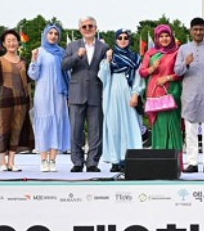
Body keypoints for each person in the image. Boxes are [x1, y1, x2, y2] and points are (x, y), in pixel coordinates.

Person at [0, 29, 34, 172]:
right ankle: (2, 162)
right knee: (3, 129)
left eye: (14, 40)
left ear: (18, 43)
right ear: (4, 44)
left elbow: (30, 80)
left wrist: (29, 100)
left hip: (21, 101)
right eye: (8, 41)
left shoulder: (23, 61)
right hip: (5, 100)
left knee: (16, 130)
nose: (12, 43)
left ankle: (11, 161)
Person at [174, 18, 204, 173]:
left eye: (201, 29)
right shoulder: (183, 49)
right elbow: (177, 71)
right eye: (195, 29)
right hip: (190, 94)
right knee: (190, 130)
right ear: (190, 30)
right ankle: (192, 163)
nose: (198, 32)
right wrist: (186, 63)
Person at [63, 16, 109, 172]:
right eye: (84, 26)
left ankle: (92, 163)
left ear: (96, 28)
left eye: (91, 26)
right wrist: (78, 56)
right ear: (80, 29)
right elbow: (63, 65)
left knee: (95, 130)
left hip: (96, 93)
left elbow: (107, 70)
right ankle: (77, 162)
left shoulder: (104, 47)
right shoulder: (72, 46)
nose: (88, 29)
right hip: (77, 93)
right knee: (75, 129)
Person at [99, 29, 144, 173]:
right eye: (120, 38)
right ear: (115, 40)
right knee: (114, 128)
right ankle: (115, 160)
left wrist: (136, 94)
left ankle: (128, 158)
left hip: (129, 95)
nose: (123, 40)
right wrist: (107, 60)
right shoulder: (110, 57)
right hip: (112, 96)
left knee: (129, 127)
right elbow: (103, 77)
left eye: (126, 38)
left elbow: (139, 77)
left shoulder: (135, 57)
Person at [31, 25, 72, 173]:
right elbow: (33, 75)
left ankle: (53, 160)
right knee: (44, 123)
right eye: (50, 33)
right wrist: (33, 60)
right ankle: (43, 159)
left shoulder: (62, 52)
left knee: (57, 122)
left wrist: (69, 93)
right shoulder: (39, 51)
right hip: (43, 93)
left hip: (59, 94)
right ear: (45, 35)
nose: (53, 36)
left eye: (56, 34)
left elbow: (67, 74)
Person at [140, 24, 184, 151]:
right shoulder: (150, 53)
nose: (164, 39)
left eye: (167, 36)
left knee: (173, 125)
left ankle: (174, 162)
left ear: (171, 37)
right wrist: (152, 68)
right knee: (158, 126)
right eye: (161, 36)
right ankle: (159, 159)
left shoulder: (177, 52)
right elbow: (142, 72)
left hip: (172, 91)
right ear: (157, 38)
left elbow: (181, 73)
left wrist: (168, 78)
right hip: (155, 93)